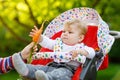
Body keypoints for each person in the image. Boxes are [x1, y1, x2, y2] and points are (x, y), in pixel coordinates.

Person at [12, 19, 95, 80]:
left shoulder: (80, 47)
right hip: (52, 65)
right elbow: (47, 42)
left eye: (70, 32)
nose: (65, 34)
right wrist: (39, 38)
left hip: (67, 70)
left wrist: (82, 52)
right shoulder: (58, 43)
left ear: (80, 38)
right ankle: (25, 69)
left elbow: (92, 52)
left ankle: (48, 78)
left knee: (58, 74)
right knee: (39, 68)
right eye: (64, 31)